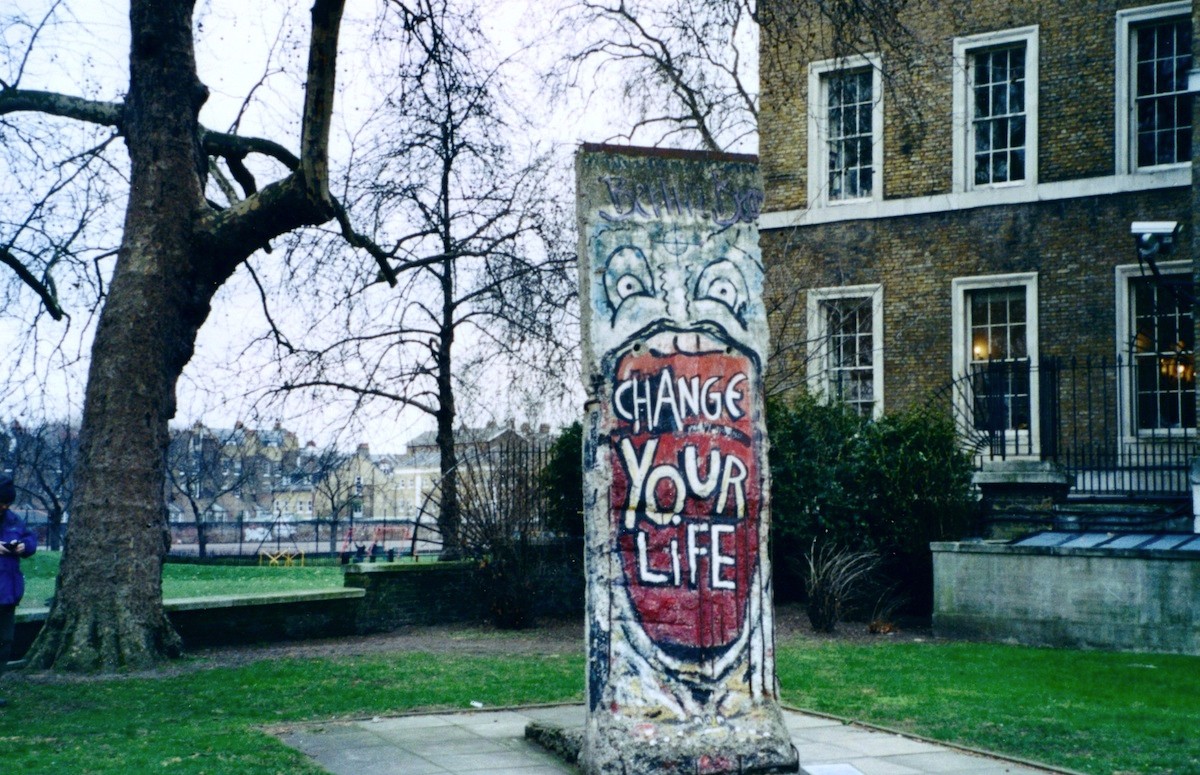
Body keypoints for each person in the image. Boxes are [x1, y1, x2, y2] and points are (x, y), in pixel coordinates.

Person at [0, 474, 37, 708]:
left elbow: (29, 538)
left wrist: (25, 547)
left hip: (8, 593)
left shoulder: (12, 520)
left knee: (4, 642)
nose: (4, 507)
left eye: (6, 503)